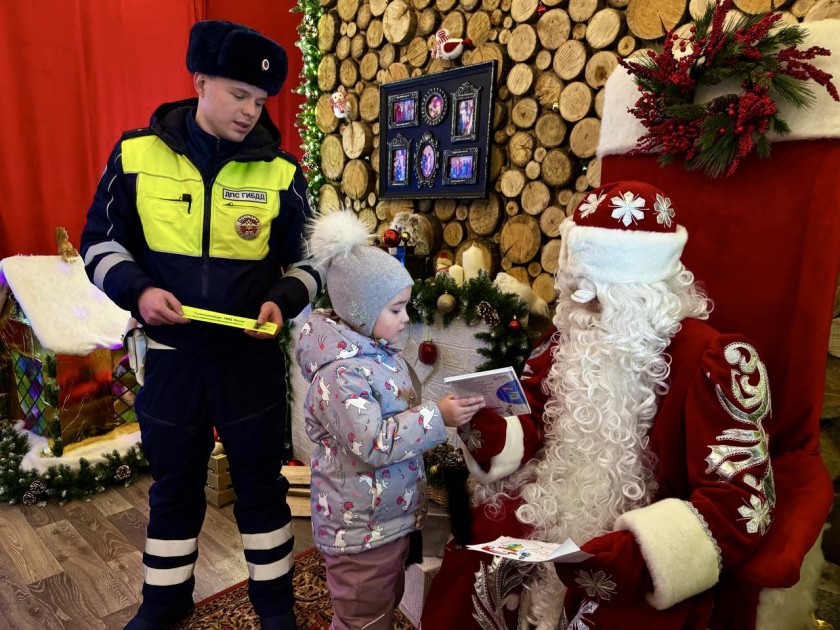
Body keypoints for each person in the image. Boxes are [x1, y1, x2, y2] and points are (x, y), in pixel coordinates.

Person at [422, 180, 784, 629]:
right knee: (471, 569)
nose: (577, 303)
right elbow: (530, 412)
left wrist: (641, 552)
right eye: (573, 286)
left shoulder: (718, 361)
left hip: (636, 546)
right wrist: (496, 433)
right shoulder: (568, 335)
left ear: (645, 291)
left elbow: (741, 500)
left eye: (596, 293)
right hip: (549, 513)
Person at [81, 20, 322, 630]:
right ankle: (164, 603)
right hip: (170, 356)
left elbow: (314, 259)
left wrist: (284, 299)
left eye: (261, 101)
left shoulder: (283, 173)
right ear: (200, 82)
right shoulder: (136, 156)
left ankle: (274, 606)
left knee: (262, 489)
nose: (251, 111)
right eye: (239, 94)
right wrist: (137, 290)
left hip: (250, 363)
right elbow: (98, 245)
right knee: (173, 487)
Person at [295, 210, 485, 630]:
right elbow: (375, 442)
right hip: (359, 530)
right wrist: (439, 416)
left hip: (385, 517)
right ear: (362, 312)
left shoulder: (374, 354)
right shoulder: (342, 374)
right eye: (397, 309)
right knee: (362, 616)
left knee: (381, 604)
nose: (406, 318)